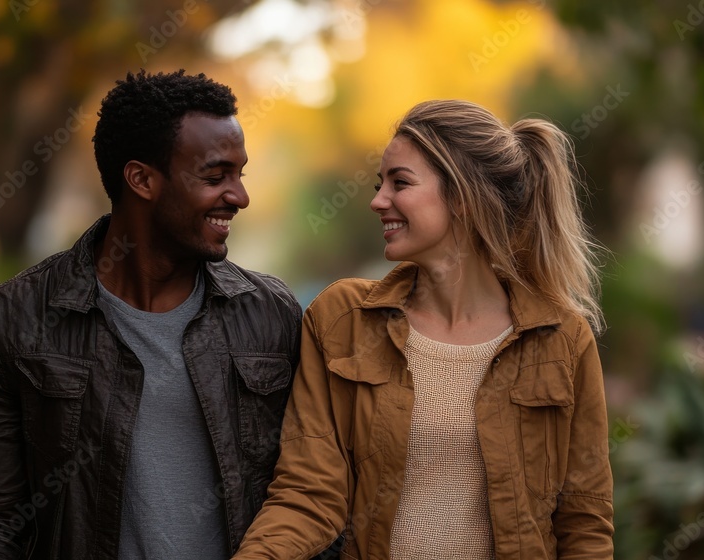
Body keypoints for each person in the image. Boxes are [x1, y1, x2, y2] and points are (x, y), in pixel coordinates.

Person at [233, 99, 613, 559]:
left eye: (401, 183)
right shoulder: (343, 320)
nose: (377, 200)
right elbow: (309, 494)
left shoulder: (563, 340)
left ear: (462, 197)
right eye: (380, 184)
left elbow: (584, 522)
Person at [0, 69, 301, 559]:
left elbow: (312, 498)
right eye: (216, 176)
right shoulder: (13, 321)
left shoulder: (272, 318)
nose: (239, 196)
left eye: (240, 175)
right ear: (141, 179)